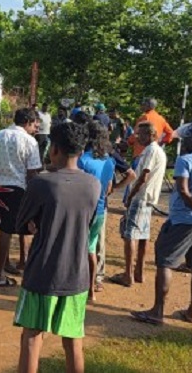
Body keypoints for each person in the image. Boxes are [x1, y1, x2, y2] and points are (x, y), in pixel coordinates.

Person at [13, 122, 100, 373]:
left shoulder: (42, 183)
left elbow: (22, 223)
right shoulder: (93, 185)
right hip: (77, 274)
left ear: (54, 149)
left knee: (32, 337)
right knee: (73, 341)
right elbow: (88, 222)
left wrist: (34, 224)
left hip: (42, 272)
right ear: (81, 152)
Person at [132, 122, 192, 326]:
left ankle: (157, 311)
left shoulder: (185, 160)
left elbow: (183, 190)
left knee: (165, 260)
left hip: (183, 218)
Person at [0, 108, 41, 287]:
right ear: (27, 122)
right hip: (16, 190)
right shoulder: (30, 142)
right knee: (6, 231)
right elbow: (32, 172)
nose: (36, 128)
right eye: (35, 125)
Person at [110, 122, 166, 288]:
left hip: (141, 197)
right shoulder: (159, 151)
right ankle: (138, 271)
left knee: (130, 235)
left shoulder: (150, 151)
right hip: (148, 199)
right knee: (143, 235)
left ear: (150, 135)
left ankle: (128, 274)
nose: (137, 137)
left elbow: (143, 176)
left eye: (141, 134)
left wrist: (131, 195)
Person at [77, 121, 115, 302]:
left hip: (83, 209)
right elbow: (108, 188)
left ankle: (77, 283)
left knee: (78, 247)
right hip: (100, 209)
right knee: (91, 248)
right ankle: (91, 288)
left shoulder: (83, 160)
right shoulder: (109, 161)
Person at [127, 97, 174, 163]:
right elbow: (171, 133)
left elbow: (136, 134)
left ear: (148, 106)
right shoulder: (161, 118)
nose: (141, 106)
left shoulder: (144, 117)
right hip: (155, 152)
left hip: (141, 153)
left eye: (143, 104)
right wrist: (162, 141)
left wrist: (128, 142)